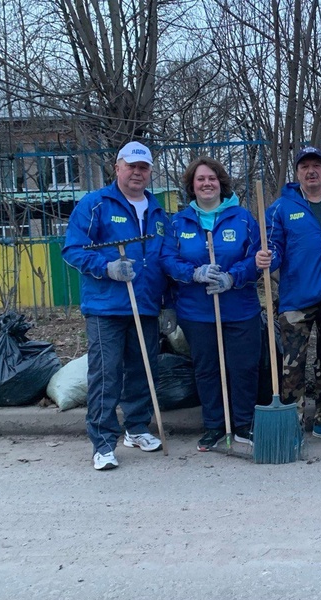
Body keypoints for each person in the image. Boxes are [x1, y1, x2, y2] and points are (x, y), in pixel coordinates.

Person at [63, 141, 174, 471]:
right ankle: (102, 442)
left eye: (143, 168)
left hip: (146, 305)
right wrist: (105, 267)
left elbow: (164, 261)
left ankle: (137, 428)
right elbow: (73, 249)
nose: (137, 173)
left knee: (143, 371)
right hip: (106, 306)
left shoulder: (158, 213)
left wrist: (167, 304)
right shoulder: (95, 204)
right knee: (106, 374)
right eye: (131, 166)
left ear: (150, 171)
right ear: (118, 167)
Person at [162, 157, 263, 451]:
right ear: (192, 187)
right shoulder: (179, 222)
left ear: (221, 183)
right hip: (197, 311)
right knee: (207, 370)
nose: (207, 184)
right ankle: (215, 426)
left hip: (240, 309)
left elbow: (257, 257)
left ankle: (243, 424)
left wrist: (233, 277)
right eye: (200, 180)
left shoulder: (243, 218)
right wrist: (193, 273)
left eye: (212, 178)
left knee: (243, 368)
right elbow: (167, 259)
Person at [259, 146, 321, 444]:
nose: (311, 171)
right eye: (304, 166)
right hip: (296, 297)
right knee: (292, 364)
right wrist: (269, 257)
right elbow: (275, 248)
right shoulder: (281, 207)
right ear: (297, 172)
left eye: (316, 165)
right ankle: (293, 424)